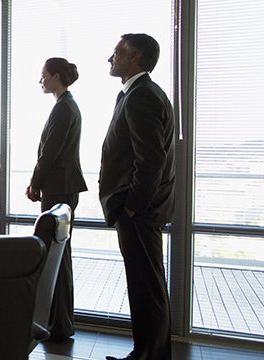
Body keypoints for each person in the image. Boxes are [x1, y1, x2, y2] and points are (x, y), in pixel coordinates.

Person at [100, 33, 175, 360]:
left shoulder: (142, 95)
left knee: (147, 289)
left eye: (117, 52)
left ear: (136, 57)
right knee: (146, 287)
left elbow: (151, 159)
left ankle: (149, 355)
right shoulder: (140, 93)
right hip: (142, 210)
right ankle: (146, 353)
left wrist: (132, 206)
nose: (111, 58)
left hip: (140, 212)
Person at [25, 57, 88, 342]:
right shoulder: (65, 106)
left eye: (44, 76)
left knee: (56, 257)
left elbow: (49, 153)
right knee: (60, 257)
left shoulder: (64, 108)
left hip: (58, 188)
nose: (41, 81)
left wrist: (34, 183)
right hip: (62, 186)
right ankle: (60, 323)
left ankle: (59, 324)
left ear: (57, 76)